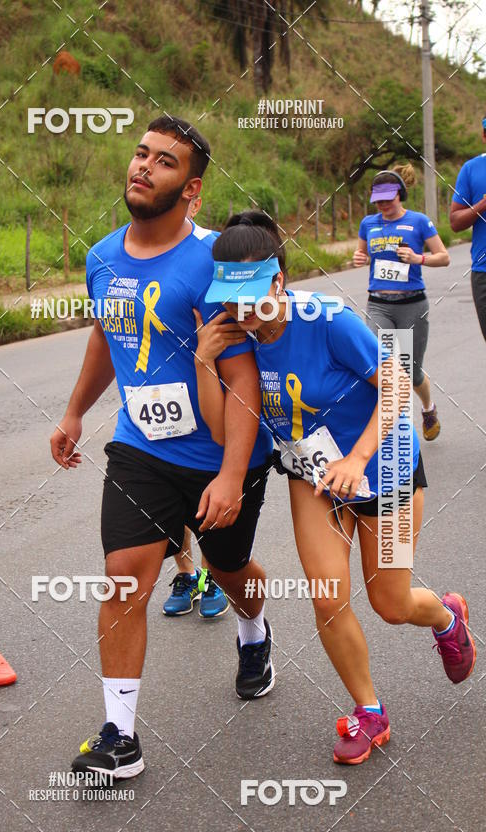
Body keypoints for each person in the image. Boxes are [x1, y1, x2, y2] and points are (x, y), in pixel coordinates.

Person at [195, 210, 476, 765]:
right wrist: (207, 360)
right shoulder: (234, 335)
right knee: (327, 597)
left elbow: (397, 382)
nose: (240, 310)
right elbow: (222, 427)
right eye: (230, 297)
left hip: (386, 467)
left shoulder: (327, 319)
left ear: (279, 279)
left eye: (252, 294)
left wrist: (358, 457)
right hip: (312, 479)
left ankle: (447, 617)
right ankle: (369, 710)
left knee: (390, 604)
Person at [50, 119, 275, 780]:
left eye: (165, 162)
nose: (144, 167)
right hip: (140, 449)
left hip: (220, 454)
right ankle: (119, 736)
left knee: (231, 573)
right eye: (141, 154)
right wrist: (74, 412)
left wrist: (233, 474)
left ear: (193, 190)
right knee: (125, 574)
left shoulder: (218, 262)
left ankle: (255, 631)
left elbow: (242, 377)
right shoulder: (101, 256)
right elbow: (105, 335)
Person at [163, 194, 229, 619]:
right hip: (161, 400)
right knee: (170, 501)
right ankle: (186, 573)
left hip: (210, 392)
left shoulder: (216, 249)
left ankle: (212, 576)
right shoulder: (141, 249)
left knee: (207, 496)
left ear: (195, 202)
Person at [353, 165, 450, 441]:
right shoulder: (368, 224)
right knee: (376, 362)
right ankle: (386, 425)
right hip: (378, 303)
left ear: (401, 195)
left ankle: (428, 409)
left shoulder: (419, 222)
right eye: (378, 201)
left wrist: (418, 258)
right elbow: (361, 254)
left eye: (388, 199)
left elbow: (443, 257)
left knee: (410, 369)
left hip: (413, 304)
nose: (383, 205)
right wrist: (360, 259)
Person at [450, 116, 486, 340]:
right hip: (483, 272)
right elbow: (455, 222)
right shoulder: (471, 169)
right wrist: (481, 206)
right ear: (484, 136)